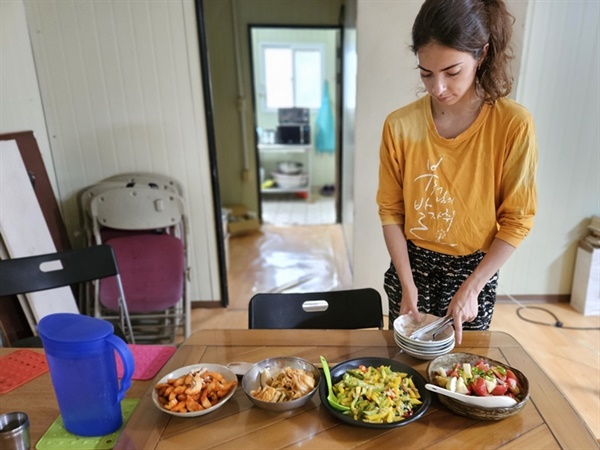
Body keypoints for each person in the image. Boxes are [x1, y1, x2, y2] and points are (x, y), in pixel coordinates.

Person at [376, 0, 538, 344]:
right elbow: (391, 211)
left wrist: (473, 287)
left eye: (452, 72)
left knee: (459, 381)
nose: (438, 88)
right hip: (411, 266)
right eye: (426, 73)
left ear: (481, 54)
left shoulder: (512, 124)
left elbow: (518, 219)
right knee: (399, 381)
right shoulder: (399, 125)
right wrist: (407, 284)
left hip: (473, 271)